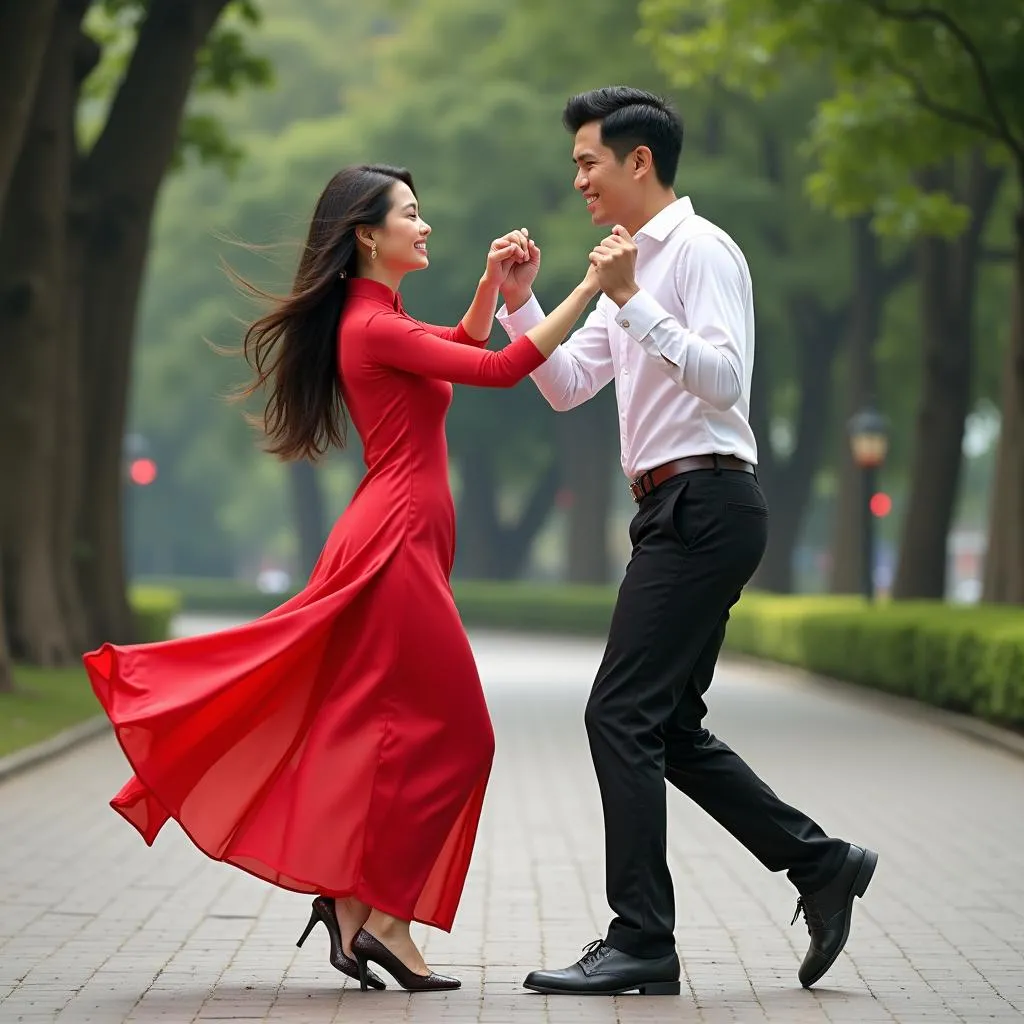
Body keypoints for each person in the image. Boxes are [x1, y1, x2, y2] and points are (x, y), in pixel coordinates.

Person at [81, 164, 598, 993]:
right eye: (413, 215)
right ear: (369, 234)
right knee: (464, 736)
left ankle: (352, 904)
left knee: (378, 732)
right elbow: (501, 372)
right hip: (394, 546)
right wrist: (592, 289)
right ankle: (383, 916)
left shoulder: (381, 317)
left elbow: (458, 355)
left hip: (403, 540)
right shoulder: (371, 324)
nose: (425, 227)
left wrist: (492, 290)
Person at [495, 87, 877, 996]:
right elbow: (566, 385)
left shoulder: (702, 252)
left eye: (589, 161)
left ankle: (642, 941)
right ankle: (821, 864)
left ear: (639, 162)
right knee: (664, 725)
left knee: (617, 712)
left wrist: (634, 303)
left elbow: (724, 382)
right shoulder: (624, 261)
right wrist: (524, 305)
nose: (578, 178)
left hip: (707, 500)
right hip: (673, 509)